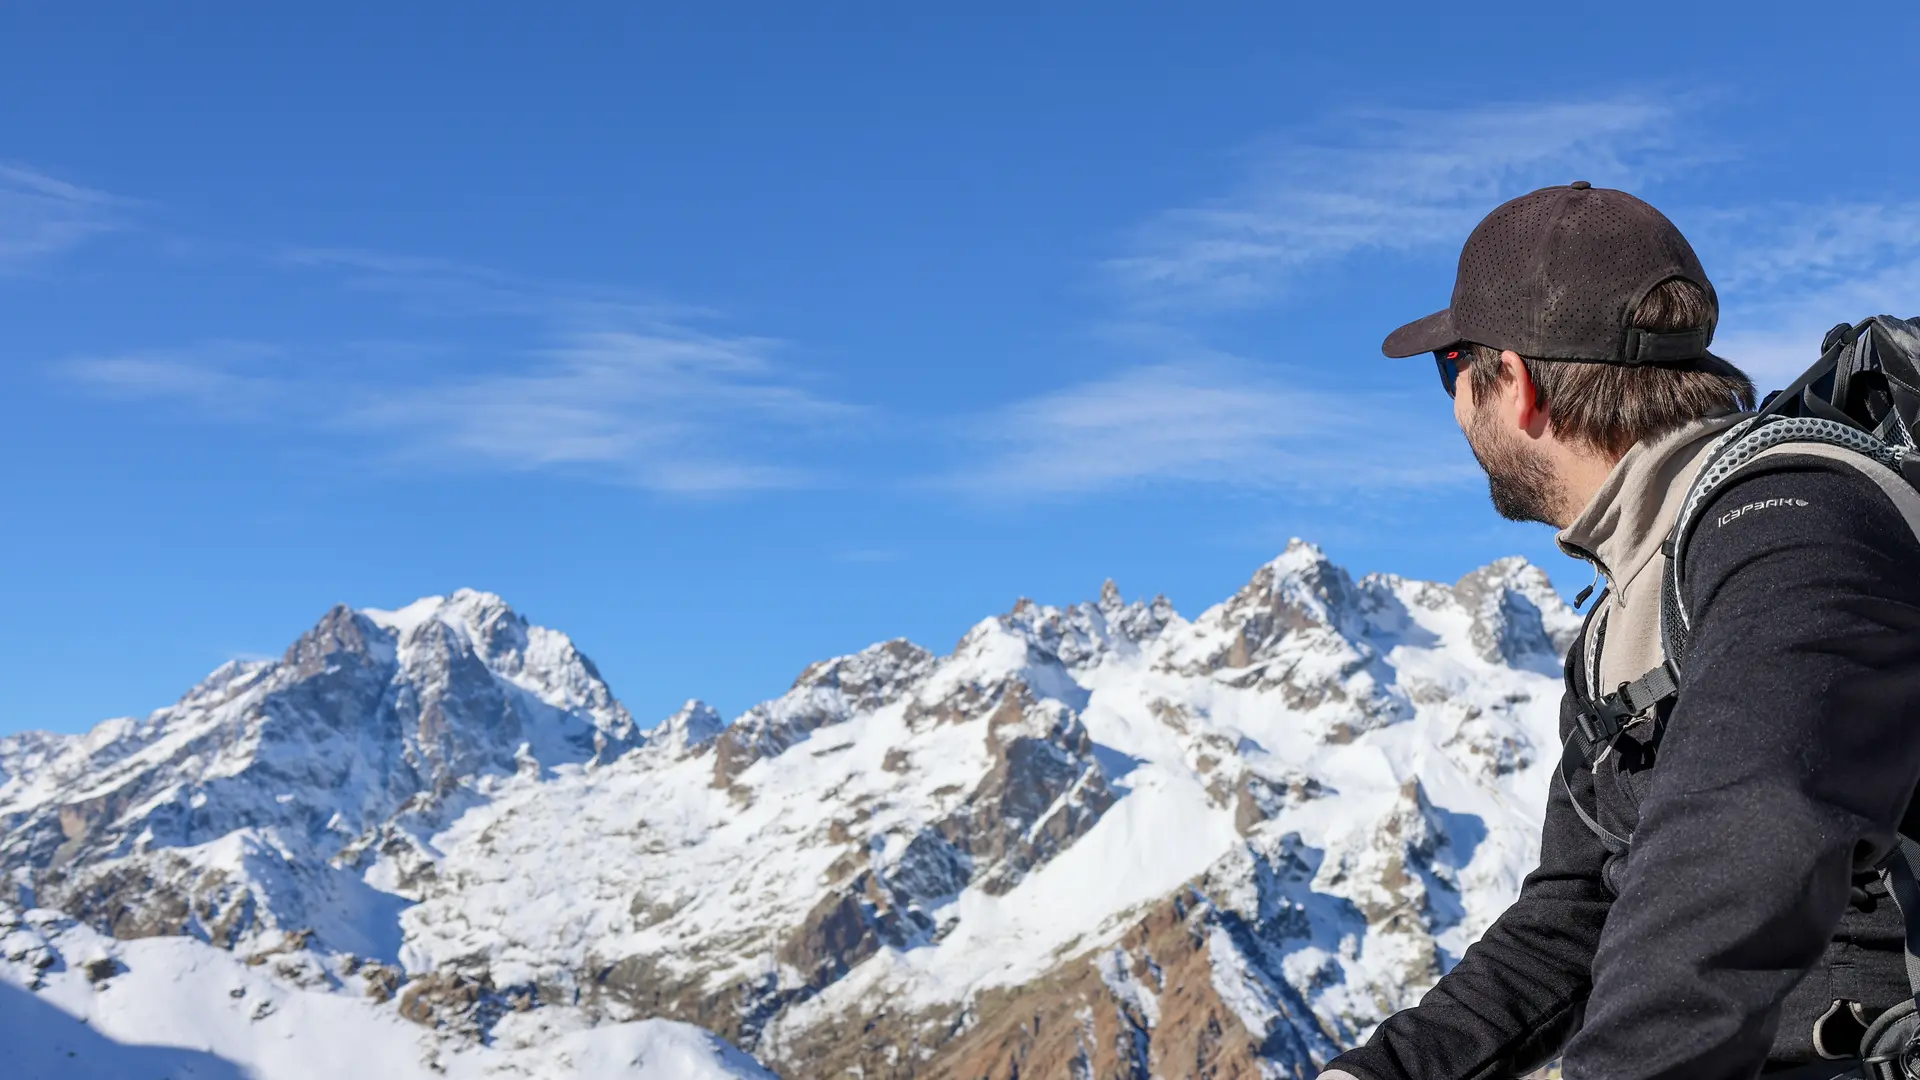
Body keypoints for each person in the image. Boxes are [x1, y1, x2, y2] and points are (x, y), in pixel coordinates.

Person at [1318, 183, 1920, 1080]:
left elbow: (1751, 821)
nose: (1451, 408)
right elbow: (1576, 909)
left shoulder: (1792, 526)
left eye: (1452, 371)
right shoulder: (1631, 612)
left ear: (1514, 386)